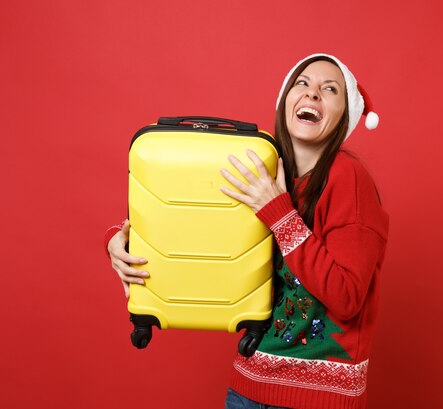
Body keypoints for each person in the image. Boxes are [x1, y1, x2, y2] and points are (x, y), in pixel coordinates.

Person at [105, 53, 389, 409]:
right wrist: (118, 239)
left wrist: (279, 212)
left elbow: (347, 297)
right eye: (302, 83)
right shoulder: (258, 165)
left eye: (329, 89)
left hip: (317, 399)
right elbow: (187, 214)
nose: (312, 93)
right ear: (285, 101)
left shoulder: (348, 178)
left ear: (345, 114)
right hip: (249, 388)